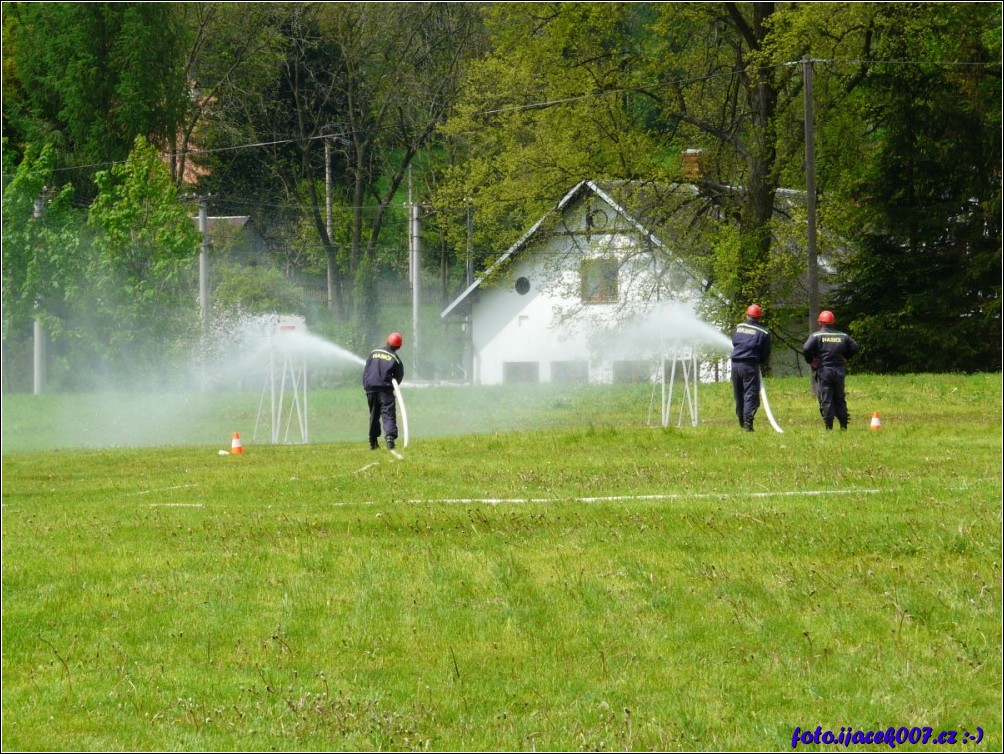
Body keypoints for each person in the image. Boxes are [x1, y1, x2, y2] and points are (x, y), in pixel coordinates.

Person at [802, 310, 859, 430]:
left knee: (826, 398)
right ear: (832, 323)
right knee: (840, 397)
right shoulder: (843, 336)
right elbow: (855, 347)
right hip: (839, 371)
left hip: (824, 371)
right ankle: (843, 426)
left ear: (821, 323)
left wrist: (811, 361)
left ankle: (829, 427)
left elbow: (806, 348)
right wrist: (846, 357)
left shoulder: (817, 336)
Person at [730, 304, 772, 432]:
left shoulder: (739, 328)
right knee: (750, 394)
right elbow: (766, 352)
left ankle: (741, 421)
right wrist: (759, 360)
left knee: (739, 394)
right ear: (760, 317)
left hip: (735, 365)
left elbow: (734, 342)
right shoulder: (764, 332)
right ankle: (748, 424)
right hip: (749, 366)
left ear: (746, 314)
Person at [363, 332, 404, 450]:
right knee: (388, 414)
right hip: (385, 390)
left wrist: (367, 386)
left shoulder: (373, 353)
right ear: (399, 346)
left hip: (370, 389)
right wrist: (392, 385)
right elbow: (399, 376)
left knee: (374, 415)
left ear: (387, 341)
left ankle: (373, 441)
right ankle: (390, 438)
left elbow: (366, 370)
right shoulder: (395, 359)